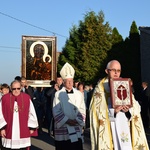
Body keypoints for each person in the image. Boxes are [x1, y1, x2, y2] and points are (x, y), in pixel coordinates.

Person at [89, 60, 149, 150]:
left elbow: (136, 107)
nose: (116, 73)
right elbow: (95, 112)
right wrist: (113, 111)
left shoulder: (125, 85)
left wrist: (128, 110)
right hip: (110, 129)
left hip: (126, 126)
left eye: (119, 70)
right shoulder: (100, 90)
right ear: (107, 71)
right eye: (113, 70)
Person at [53, 62, 86, 150]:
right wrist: (67, 120)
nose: (70, 82)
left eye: (71, 80)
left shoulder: (79, 94)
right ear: (63, 82)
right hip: (63, 129)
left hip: (76, 126)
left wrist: (77, 120)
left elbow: (82, 109)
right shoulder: (58, 94)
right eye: (67, 81)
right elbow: (56, 110)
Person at [0, 80, 38, 149]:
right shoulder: (5, 98)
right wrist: (2, 128)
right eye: (14, 89)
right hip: (8, 129)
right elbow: (0, 114)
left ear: (21, 88)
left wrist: (31, 127)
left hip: (23, 130)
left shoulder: (26, 98)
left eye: (18, 88)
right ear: (11, 88)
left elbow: (31, 113)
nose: (16, 90)